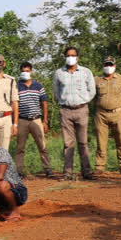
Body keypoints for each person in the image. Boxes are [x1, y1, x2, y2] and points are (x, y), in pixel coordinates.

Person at [53, 46, 96, 181]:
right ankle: (67, 173)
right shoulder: (59, 73)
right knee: (68, 143)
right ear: (65, 57)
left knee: (83, 142)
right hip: (65, 111)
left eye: (73, 55)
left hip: (82, 110)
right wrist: (63, 102)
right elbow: (56, 91)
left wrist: (84, 101)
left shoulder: (86, 72)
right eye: (68, 55)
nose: (70, 57)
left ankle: (87, 172)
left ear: (77, 57)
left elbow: (92, 90)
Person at [14, 62, 54, 178]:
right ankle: (19, 171)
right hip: (22, 120)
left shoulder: (38, 86)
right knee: (20, 148)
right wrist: (14, 123)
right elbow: (14, 105)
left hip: (36, 119)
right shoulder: (16, 86)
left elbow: (44, 104)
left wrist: (45, 121)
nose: (25, 73)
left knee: (42, 146)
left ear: (31, 71)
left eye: (27, 71)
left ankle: (47, 168)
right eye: (23, 71)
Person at [93, 57, 121, 176]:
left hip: (118, 113)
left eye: (111, 64)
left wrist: (119, 105)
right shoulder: (96, 80)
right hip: (101, 114)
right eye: (106, 64)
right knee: (101, 141)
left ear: (115, 66)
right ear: (103, 65)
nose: (108, 67)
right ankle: (99, 167)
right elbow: (92, 96)